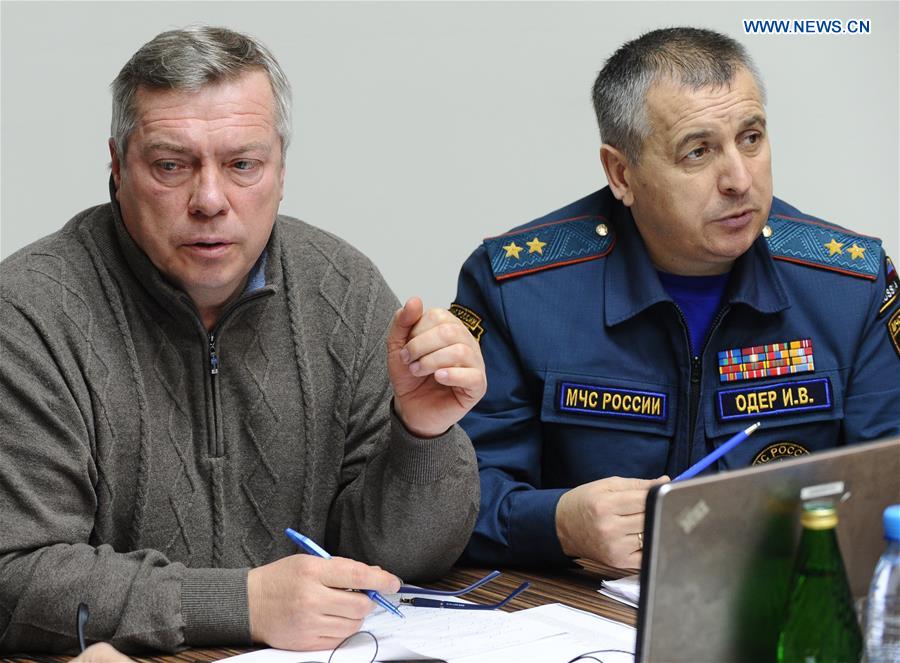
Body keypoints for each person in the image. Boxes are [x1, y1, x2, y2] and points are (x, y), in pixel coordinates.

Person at [0, 26, 485, 654]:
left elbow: (401, 560)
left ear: (281, 169)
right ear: (117, 167)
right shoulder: (29, 311)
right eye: (171, 165)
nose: (209, 199)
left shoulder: (343, 286)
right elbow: (13, 575)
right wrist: (241, 603)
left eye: (242, 165)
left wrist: (421, 434)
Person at [451, 27, 900, 572]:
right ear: (621, 173)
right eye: (698, 151)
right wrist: (558, 523)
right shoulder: (517, 290)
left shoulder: (851, 287)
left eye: (751, 138)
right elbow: (455, 500)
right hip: (582, 622)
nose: (739, 178)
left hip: (784, 602)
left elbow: (890, 488)